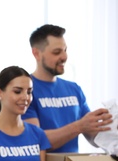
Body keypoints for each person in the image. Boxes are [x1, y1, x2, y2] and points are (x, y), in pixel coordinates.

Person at [22, 24, 112, 153]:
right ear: (36, 53)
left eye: (65, 50)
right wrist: (79, 126)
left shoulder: (74, 89)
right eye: (57, 52)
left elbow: (95, 137)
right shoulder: (25, 91)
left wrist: (111, 128)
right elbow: (35, 140)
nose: (64, 57)